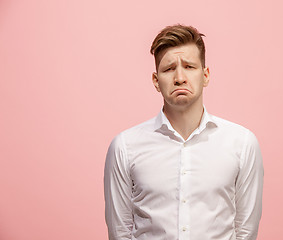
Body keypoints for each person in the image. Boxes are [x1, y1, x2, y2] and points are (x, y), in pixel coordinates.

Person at [104, 24, 264, 240]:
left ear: (205, 75)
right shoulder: (125, 146)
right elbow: (120, 232)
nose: (179, 77)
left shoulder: (242, 144)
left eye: (189, 66)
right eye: (169, 69)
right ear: (156, 81)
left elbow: (245, 232)